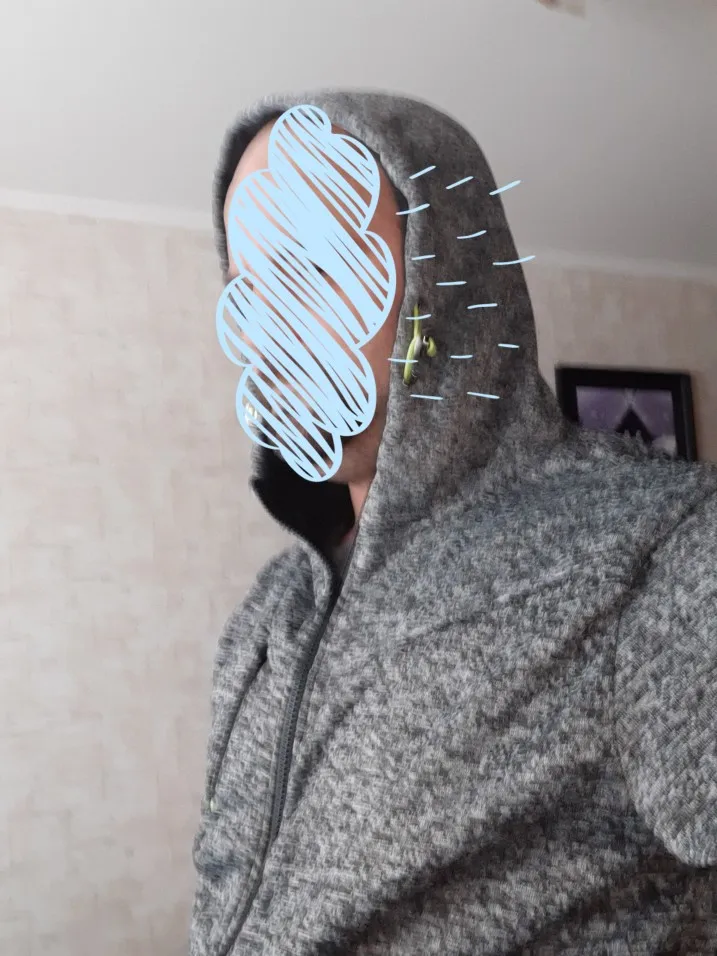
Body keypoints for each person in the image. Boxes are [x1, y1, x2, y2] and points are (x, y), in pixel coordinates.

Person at [190, 91, 717, 956]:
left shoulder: (660, 552)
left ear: (450, 284)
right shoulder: (269, 613)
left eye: (316, 266)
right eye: (251, 291)